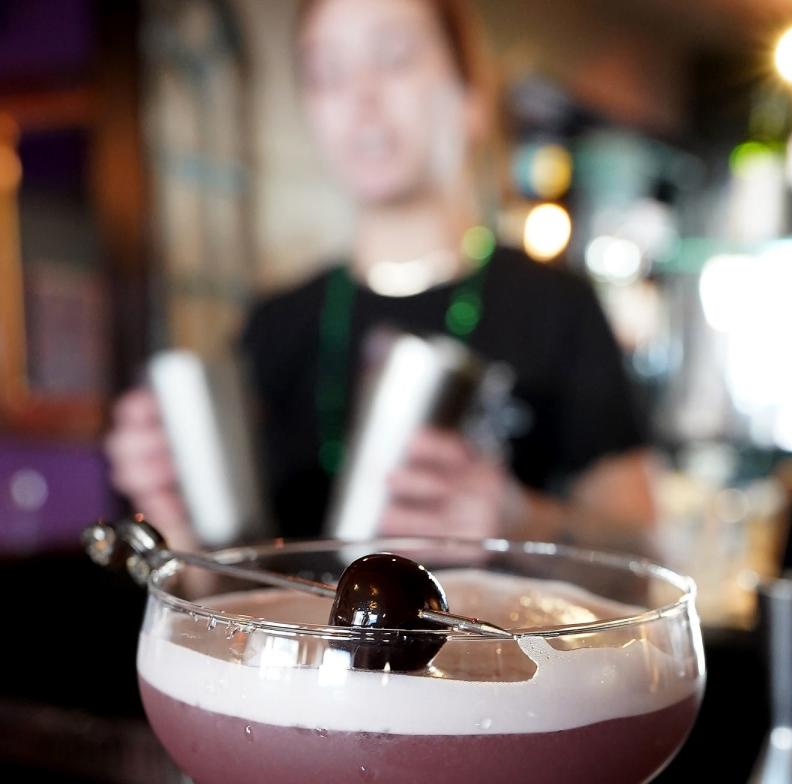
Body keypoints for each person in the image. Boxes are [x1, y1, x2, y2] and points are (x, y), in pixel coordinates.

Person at [107, 0, 655, 551]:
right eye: (327, 74)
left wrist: (520, 521)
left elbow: (644, 553)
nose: (359, 98)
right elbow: (225, 584)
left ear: (472, 100)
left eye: (393, 59)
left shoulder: (557, 307)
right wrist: (177, 521)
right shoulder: (275, 323)